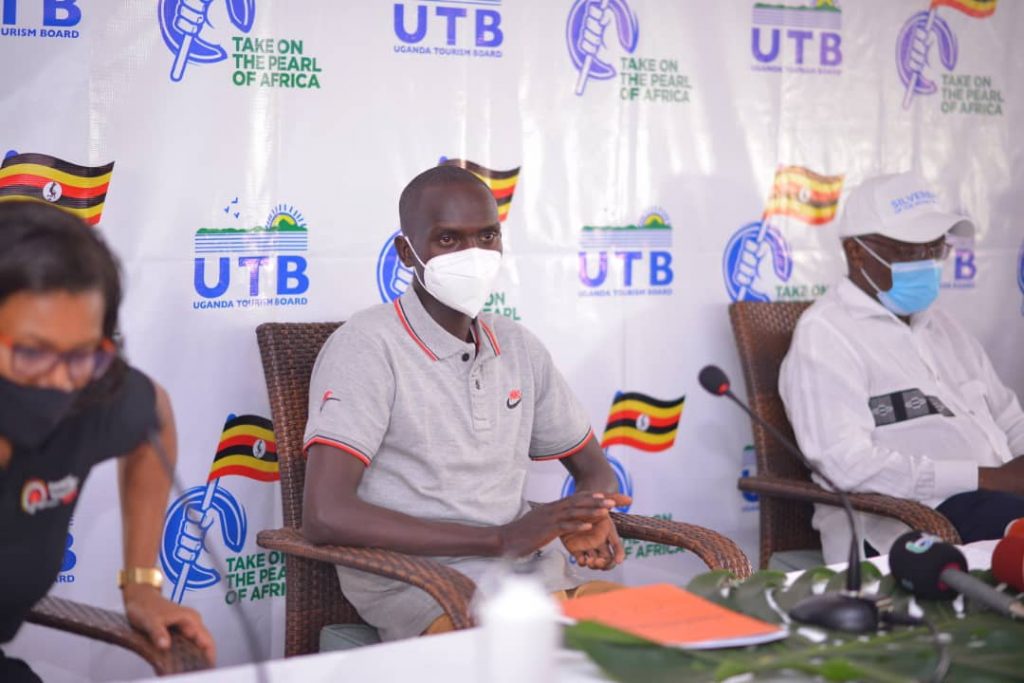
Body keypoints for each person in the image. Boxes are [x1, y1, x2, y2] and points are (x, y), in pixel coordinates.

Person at [301, 165, 630, 641]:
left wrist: (589, 513)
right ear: (406, 252)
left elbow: (594, 467)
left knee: (661, 639)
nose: (473, 255)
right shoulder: (368, 345)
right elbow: (325, 514)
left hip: (533, 577)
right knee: (537, 658)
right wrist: (500, 539)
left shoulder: (517, 344)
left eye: (487, 236)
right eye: (448, 239)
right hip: (428, 586)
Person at [0, 201, 216, 681]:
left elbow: (155, 417)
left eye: (80, 355)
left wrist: (141, 586)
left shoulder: (89, 397)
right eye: (32, 353)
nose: (60, 381)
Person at [779, 171, 1024, 564]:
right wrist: (984, 477)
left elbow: (1009, 417)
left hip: (995, 501)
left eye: (935, 248)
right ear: (857, 252)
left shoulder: (944, 326)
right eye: (910, 251)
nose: (927, 262)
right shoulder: (826, 335)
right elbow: (846, 462)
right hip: (907, 525)